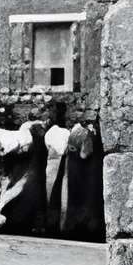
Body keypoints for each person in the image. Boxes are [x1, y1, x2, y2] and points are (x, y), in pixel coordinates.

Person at [0, 101, 48, 235]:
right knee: (15, 190)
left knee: (13, 191)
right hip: (23, 166)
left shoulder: (28, 129)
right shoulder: (31, 130)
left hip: (21, 166)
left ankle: (4, 219)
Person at [48, 97, 105, 241]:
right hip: (80, 173)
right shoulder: (83, 132)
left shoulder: (80, 132)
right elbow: (84, 153)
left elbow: (83, 153)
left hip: (79, 173)